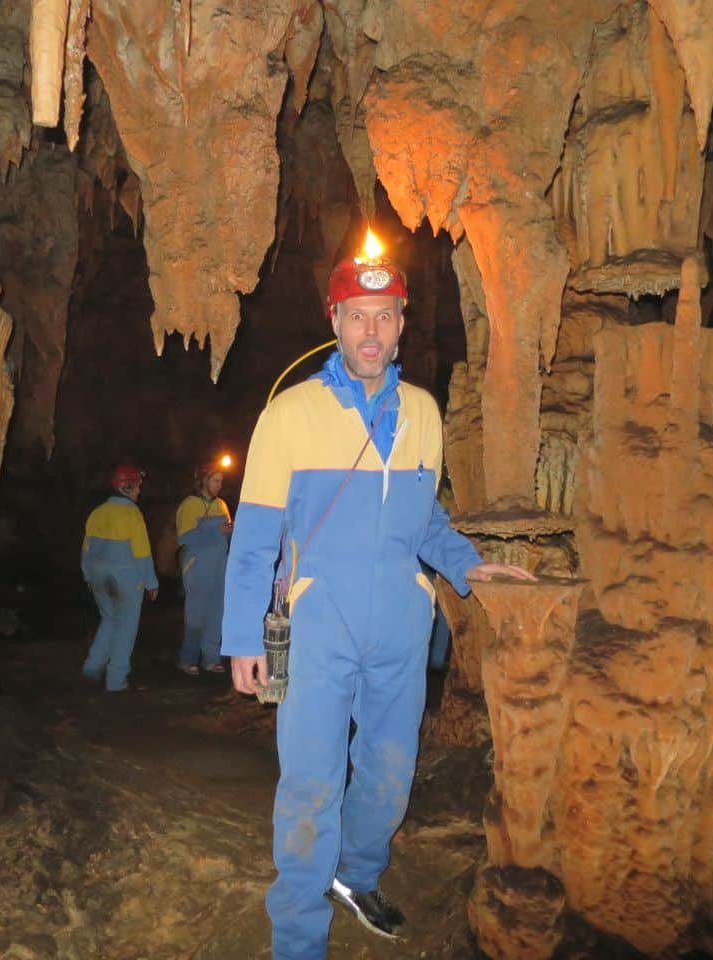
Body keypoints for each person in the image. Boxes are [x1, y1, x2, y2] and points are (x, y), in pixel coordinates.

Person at [222, 239, 535, 959]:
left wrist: (468, 567)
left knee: (390, 779)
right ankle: (298, 937)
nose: (371, 331)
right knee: (311, 785)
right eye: (357, 316)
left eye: (384, 316)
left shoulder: (423, 413)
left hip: (401, 627)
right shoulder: (291, 415)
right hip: (321, 626)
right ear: (335, 321)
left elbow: (424, 519)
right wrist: (242, 635)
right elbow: (257, 535)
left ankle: (356, 877)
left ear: (401, 324)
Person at [80, 463, 159, 692]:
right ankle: (116, 681)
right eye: (136, 487)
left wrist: (87, 574)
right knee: (126, 627)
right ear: (126, 487)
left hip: (97, 576)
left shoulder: (97, 512)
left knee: (109, 620)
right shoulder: (132, 514)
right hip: (125, 577)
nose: (139, 491)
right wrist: (151, 582)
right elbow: (142, 552)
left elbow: (86, 549)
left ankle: (92, 668)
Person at [176, 462, 233, 675]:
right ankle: (188, 658)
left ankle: (211, 658)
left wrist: (227, 528)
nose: (219, 485)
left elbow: (227, 529)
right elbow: (185, 536)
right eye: (215, 480)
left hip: (220, 566)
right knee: (196, 614)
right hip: (197, 566)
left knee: (216, 613)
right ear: (204, 481)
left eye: (221, 481)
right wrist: (213, 529)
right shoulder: (189, 505)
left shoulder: (222, 504)